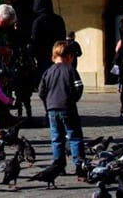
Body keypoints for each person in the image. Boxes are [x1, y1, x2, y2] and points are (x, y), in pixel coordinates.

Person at [38, 40, 85, 179]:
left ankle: (59, 166)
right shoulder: (71, 70)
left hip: (52, 109)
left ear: (54, 56)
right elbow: (79, 87)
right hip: (68, 108)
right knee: (74, 136)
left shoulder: (48, 72)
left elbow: (41, 91)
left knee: (57, 138)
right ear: (70, 56)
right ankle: (79, 165)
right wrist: (72, 99)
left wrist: (48, 103)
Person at [28, 0, 66, 80]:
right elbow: (63, 38)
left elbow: (35, 40)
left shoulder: (38, 22)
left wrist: (31, 55)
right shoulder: (59, 20)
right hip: (58, 55)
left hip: (43, 58)